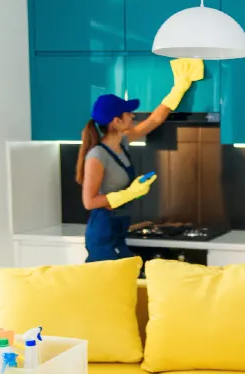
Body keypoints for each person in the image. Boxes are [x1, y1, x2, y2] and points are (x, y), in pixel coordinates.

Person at [76, 58, 204, 263]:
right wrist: (129, 193)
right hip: (102, 233)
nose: (133, 116)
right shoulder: (97, 156)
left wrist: (180, 86)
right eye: (128, 113)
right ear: (116, 122)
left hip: (118, 226)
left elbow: (154, 120)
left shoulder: (122, 141)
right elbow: (89, 202)